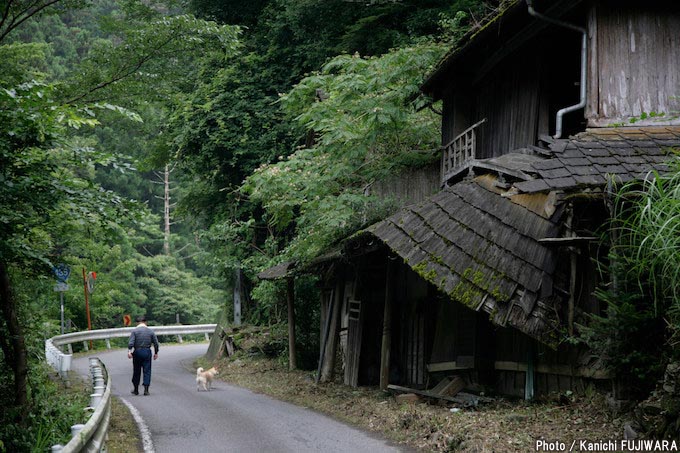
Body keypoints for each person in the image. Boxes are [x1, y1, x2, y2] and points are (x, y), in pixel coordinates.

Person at [127, 315, 159, 395]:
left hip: (137, 351)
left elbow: (131, 343)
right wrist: (156, 352)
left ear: (137, 323)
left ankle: (136, 389)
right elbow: (156, 343)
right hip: (147, 351)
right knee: (147, 370)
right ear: (145, 322)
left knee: (136, 371)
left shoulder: (134, 331)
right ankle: (146, 389)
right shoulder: (150, 331)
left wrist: (129, 351)